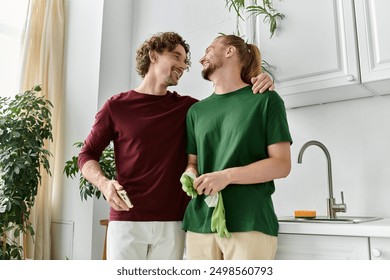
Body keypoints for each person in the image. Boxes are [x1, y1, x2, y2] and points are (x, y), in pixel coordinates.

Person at [78, 32, 274, 260]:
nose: (183, 65)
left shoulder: (189, 109)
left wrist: (261, 80)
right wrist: (104, 184)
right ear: (153, 56)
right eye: (176, 57)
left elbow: (229, 104)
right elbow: (87, 154)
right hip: (127, 220)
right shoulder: (116, 106)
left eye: (185, 61)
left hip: (174, 223)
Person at [181, 34, 292, 260]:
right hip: (200, 223)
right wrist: (189, 174)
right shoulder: (196, 111)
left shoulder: (265, 100)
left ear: (229, 51)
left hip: (249, 222)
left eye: (209, 50)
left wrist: (227, 176)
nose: (202, 58)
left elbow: (281, 165)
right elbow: (193, 163)